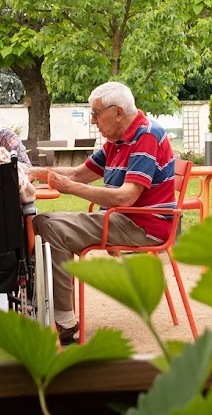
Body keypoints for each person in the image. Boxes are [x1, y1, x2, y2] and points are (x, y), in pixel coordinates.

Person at [29, 81, 176, 345]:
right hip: (121, 217)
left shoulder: (146, 136)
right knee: (40, 221)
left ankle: (64, 323)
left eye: (96, 114)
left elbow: (126, 197)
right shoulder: (117, 140)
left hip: (142, 226)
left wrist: (71, 188)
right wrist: (36, 172)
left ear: (118, 112)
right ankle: (54, 313)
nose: (93, 121)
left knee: (49, 226)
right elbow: (79, 173)